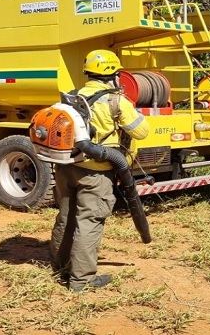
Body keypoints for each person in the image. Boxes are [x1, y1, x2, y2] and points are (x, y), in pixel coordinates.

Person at [49, 49, 150, 292]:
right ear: (113, 74)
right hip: (96, 173)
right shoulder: (116, 101)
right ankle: (81, 281)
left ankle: (60, 267)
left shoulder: (72, 96)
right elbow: (141, 132)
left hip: (67, 167)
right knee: (89, 222)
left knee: (66, 216)